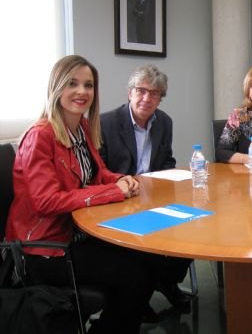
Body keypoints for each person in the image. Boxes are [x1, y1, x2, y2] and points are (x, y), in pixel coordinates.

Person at [4, 55, 153, 333]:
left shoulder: (81, 127)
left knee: (146, 255)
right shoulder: (41, 136)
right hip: (44, 250)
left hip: (76, 232)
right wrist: (112, 191)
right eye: (72, 83)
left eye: (89, 85)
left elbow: (96, 173)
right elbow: (46, 201)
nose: (82, 91)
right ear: (56, 87)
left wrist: (122, 179)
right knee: (135, 276)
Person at [100, 64, 192, 319]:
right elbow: (100, 170)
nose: (147, 98)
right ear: (129, 93)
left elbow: (166, 161)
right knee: (142, 242)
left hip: (154, 196)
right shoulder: (106, 122)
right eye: (141, 91)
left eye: (155, 94)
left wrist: (166, 179)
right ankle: (145, 292)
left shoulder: (164, 122)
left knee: (193, 224)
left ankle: (166, 281)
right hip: (119, 200)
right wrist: (125, 184)